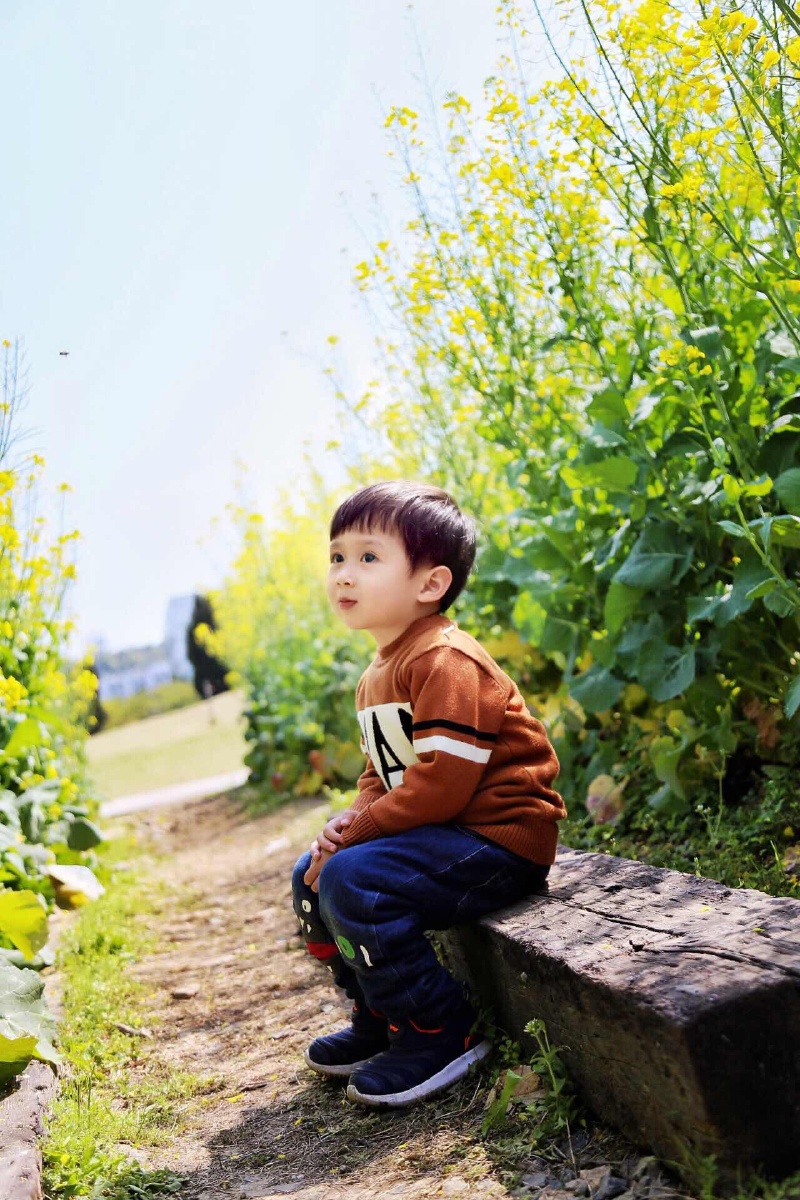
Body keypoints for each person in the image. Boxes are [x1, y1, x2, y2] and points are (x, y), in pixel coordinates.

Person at [291, 480, 566, 1109]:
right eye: (336, 558)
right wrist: (344, 825)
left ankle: (440, 1029)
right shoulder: (376, 676)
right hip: (442, 836)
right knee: (311, 874)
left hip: (496, 839)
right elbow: (381, 777)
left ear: (430, 584)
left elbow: (440, 786)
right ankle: (382, 1018)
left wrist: (358, 838)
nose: (343, 575)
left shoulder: (445, 661)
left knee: (352, 879)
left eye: (367, 558)